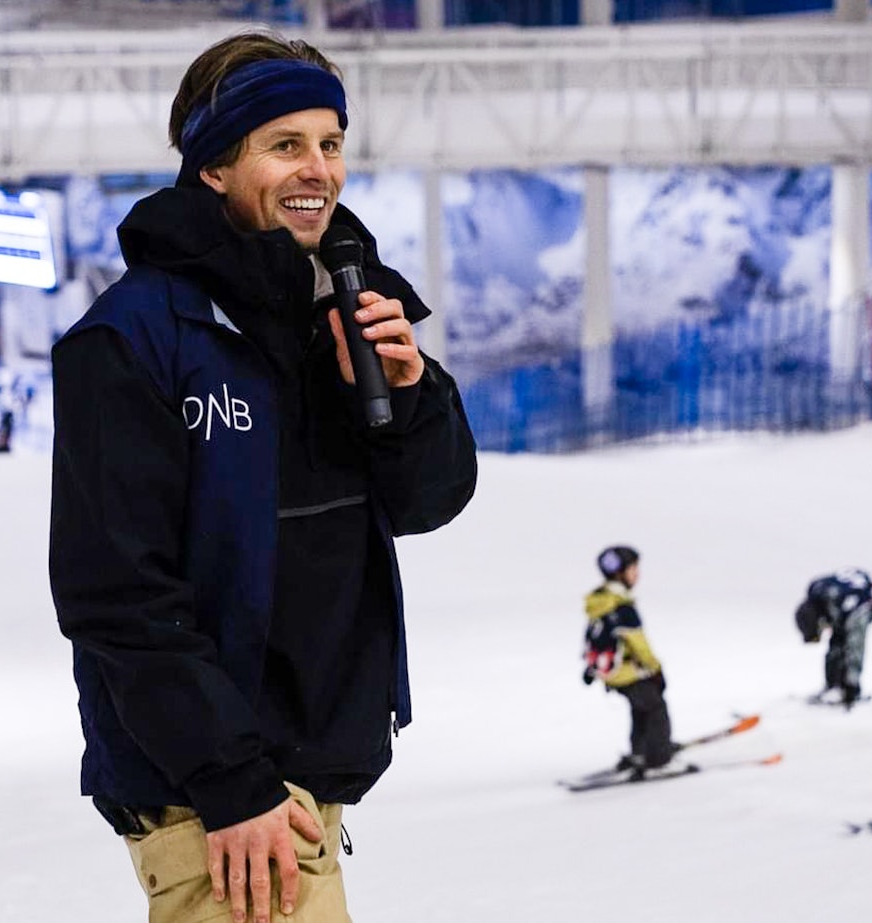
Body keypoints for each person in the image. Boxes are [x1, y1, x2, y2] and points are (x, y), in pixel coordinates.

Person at [48, 31, 477, 923]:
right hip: (219, 794)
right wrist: (231, 780)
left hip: (304, 773)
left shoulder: (344, 305)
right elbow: (116, 594)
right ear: (212, 167)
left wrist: (413, 393)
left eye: (330, 142)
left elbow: (426, 502)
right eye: (284, 145)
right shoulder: (133, 339)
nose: (317, 168)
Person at [582, 545, 687, 779]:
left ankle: (640, 753)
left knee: (641, 708)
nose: (637, 574)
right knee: (656, 708)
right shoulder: (622, 606)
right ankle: (659, 759)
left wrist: (590, 668)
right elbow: (639, 644)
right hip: (627, 670)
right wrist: (655, 668)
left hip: (610, 672)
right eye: (633, 569)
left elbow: (593, 635)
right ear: (620, 573)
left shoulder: (600, 601)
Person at [795, 568, 872, 709]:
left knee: (848, 641)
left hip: (864, 600)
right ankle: (834, 686)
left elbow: (855, 648)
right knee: (839, 639)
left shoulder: (848, 608)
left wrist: (851, 688)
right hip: (849, 598)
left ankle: (849, 688)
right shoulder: (818, 593)